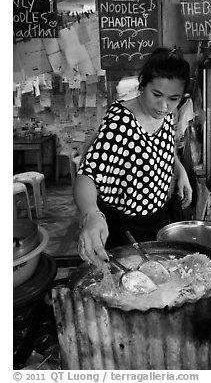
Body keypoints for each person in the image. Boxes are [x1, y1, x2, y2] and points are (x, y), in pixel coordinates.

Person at [74, 47, 193, 265]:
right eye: (156, 95)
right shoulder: (120, 122)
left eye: (173, 98)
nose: (164, 105)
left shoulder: (165, 115)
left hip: (157, 217)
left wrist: (180, 170)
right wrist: (91, 214)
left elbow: (163, 147)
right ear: (142, 86)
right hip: (124, 226)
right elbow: (87, 174)